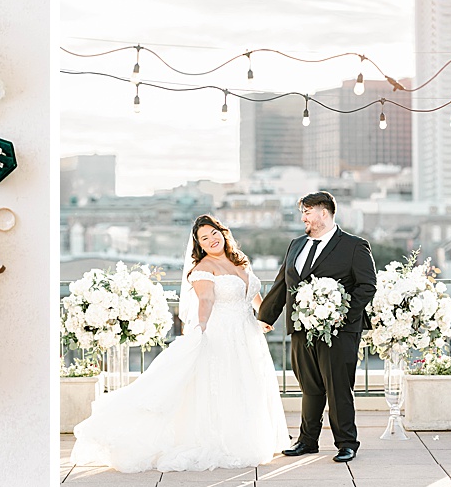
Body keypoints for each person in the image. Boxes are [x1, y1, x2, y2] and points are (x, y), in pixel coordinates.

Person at [70, 215, 288, 472]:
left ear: (223, 232)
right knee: (225, 384)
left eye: (213, 233)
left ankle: (251, 435)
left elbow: (253, 294)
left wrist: (263, 317)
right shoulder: (202, 269)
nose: (211, 240)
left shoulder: (239, 260)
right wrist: (201, 331)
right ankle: (228, 442)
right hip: (221, 332)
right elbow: (205, 301)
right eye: (204, 239)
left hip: (247, 332)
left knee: (248, 383)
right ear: (199, 245)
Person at [258, 192, 377, 461]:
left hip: (339, 331)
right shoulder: (295, 245)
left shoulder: (355, 245)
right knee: (309, 387)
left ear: (324, 213)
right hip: (301, 328)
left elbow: (367, 285)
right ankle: (307, 440)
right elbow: (282, 284)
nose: (303, 218)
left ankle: (346, 442)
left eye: (308, 212)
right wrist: (265, 317)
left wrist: (341, 316)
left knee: (338, 387)